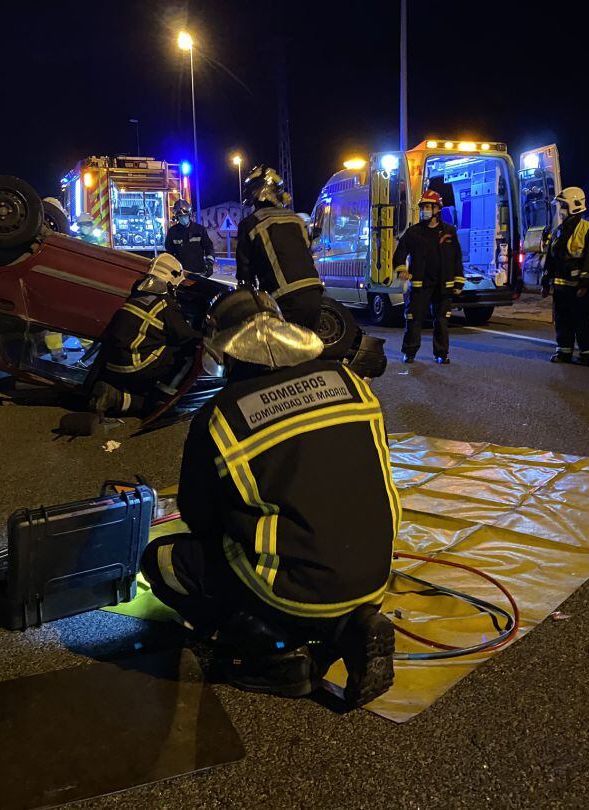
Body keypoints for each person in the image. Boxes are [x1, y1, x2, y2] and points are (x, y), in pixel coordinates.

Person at [139, 288, 400, 707]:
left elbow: (199, 517)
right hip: (373, 573)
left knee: (163, 562)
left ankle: (275, 655)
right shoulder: (351, 383)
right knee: (310, 563)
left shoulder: (221, 414)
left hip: (290, 589)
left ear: (227, 351)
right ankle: (349, 627)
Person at [91, 253, 200, 415]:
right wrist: (206, 337)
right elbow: (185, 336)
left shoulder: (137, 294)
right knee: (187, 351)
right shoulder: (164, 304)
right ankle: (162, 398)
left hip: (113, 364)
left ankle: (116, 396)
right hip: (135, 366)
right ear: (171, 278)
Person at [235, 165, 324, 329]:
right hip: (314, 291)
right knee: (307, 348)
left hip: (285, 297)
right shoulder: (296, 219)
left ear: (258, 193)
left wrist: (246, 294)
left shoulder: (250, 224)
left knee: (278, 351)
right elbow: (307, 250)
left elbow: (244, 270)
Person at [394, 189, 465, 364]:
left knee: (441, 320)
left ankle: (441, 354)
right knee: (414, 319)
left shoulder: (449, 232)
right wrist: (402, 269)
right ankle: (409, 352)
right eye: (423, 207)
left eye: (427, 206)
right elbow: (400, 252)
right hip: (420, 285)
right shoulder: (414, 232)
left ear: (437, 209)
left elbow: (457, 258)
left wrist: (458, 281)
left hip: (443, 285)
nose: (424, 210)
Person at [540, 187, 589, 365]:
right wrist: (546, 281)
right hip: (560, 286)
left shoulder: (588, 230)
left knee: (581, 320)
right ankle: (564, 351)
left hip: (578, 287)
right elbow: (551, 257)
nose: (561, 209)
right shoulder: (558, 230)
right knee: (562, 319)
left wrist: (584, 283)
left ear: (574, 205)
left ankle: (587, 353)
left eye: (563, 205)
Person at [165, 199, 215, 277]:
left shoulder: (199, 230)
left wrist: (210, 263)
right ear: (177, 217)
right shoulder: (172, 232)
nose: (183, 218)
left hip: (199, 272)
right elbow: (169, 253)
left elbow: (209, 247)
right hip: (180, 274)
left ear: (189, 215)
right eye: (180, 216)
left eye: (185, 216)